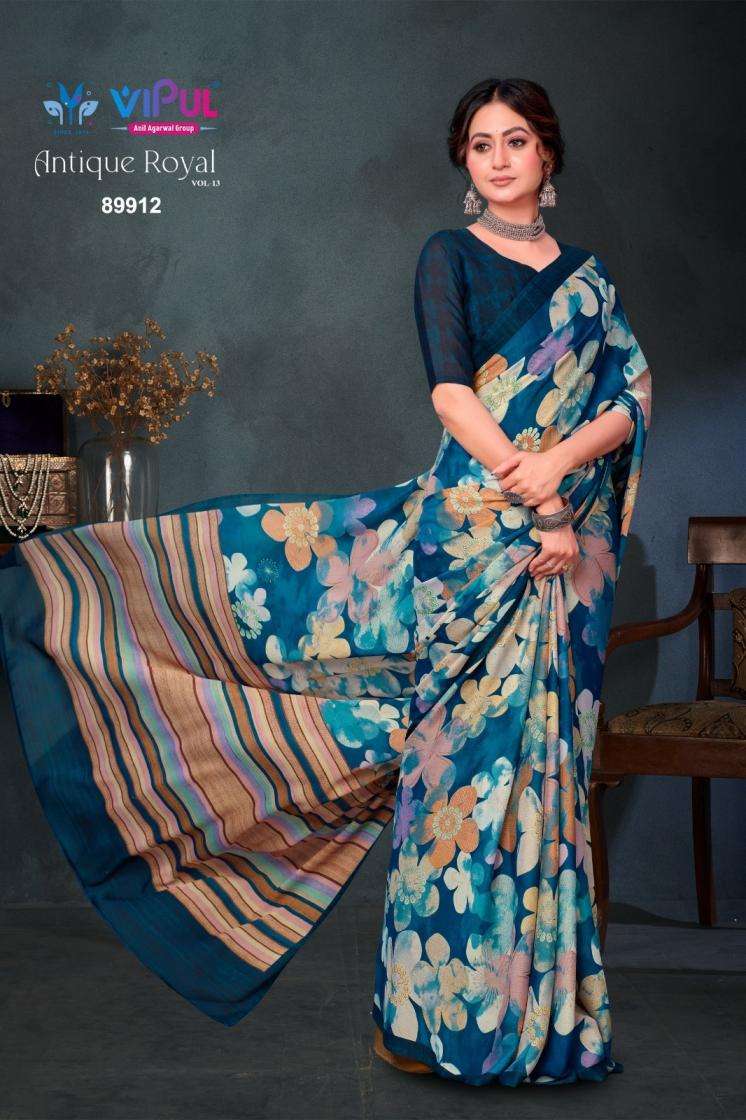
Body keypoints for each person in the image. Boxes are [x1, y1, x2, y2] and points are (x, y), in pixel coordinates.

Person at [0, 77, 651, 1089]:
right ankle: (436, 1025)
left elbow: (630, 394)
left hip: (559, 553)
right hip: (473, 541)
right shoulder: (447, 257)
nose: (497, 159)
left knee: (540, 775)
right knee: (454, 778)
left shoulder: (589, 283)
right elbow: (450, 394)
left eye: (515, 140)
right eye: (479, 143)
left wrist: (561, 472)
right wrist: (538, 499)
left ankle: (544, 1023)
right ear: (463, 160)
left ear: (547, 155)